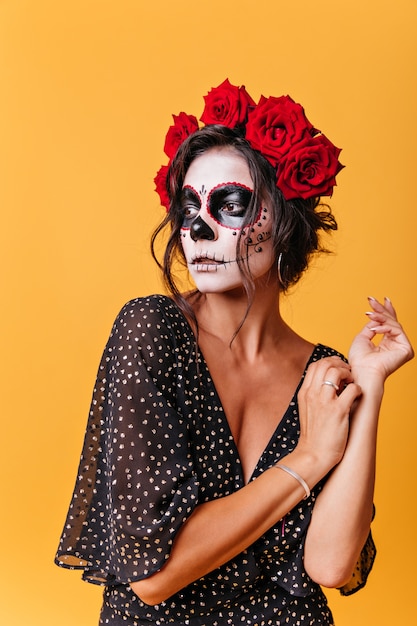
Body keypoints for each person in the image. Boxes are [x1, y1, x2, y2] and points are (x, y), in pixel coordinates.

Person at [55, 80, 413, 626]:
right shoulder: (151, 332)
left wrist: (371, 382)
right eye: (187, 206)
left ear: (284, 218)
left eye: (230, 203)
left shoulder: (324, 373)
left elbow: (332, 564)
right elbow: (153, 577)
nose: (197, 229)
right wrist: (309, 458)